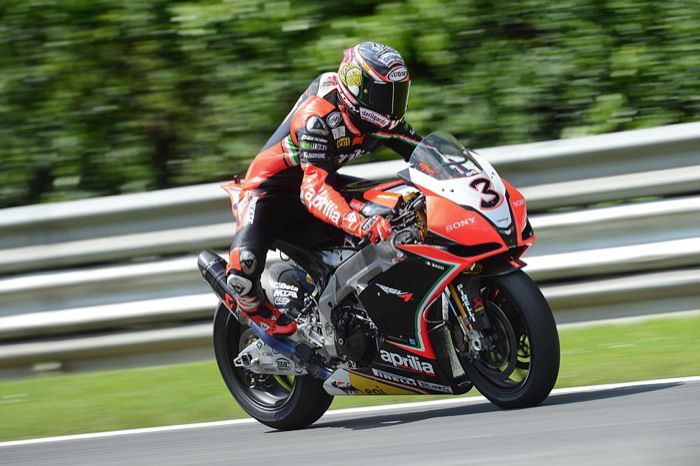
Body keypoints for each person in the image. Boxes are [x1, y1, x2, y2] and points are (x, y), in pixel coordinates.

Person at [226, 42, 423, 336]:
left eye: (398, 95)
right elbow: (313, 190)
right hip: (270, 193)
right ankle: (250, 308)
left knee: (400, 204)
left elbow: (425, 154)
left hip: (322, 181)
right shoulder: (317, 117)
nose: (391, 105)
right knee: (243, 268)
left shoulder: (380, 119)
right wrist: (358, 222)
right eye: (384, 95)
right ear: (358, 89)